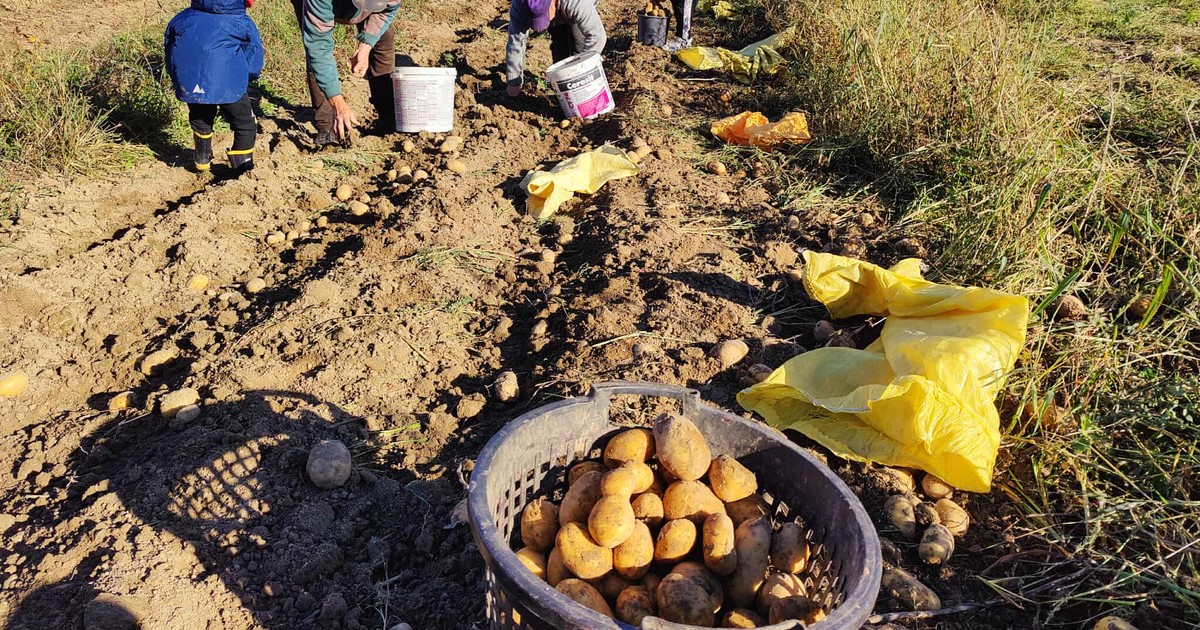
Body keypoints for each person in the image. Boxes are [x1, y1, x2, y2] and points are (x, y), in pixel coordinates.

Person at [165, 0, 264, 173]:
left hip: (191, 83)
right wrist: (248, 77)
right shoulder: (240, 21)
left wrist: (177, 77)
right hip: (230, 85)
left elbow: (170, 49)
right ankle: (242, 169)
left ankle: (202, 158)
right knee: (245, 124)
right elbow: (254, 54)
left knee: (200, 117)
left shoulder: (182, 18)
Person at [294, 0, 402, 146]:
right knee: (317, 56)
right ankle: (327, 128)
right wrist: (338, 103)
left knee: (384, 36)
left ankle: (388, 117)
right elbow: (319, 48)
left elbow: (386, 11)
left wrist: (366, 44)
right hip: (321, 5)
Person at [505, 0, 606, 97]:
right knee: (560, 47)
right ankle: (562, 92)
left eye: (544, 15)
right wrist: (514, 82)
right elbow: (515, 43)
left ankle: (590, 93)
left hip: (574, 8)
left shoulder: (577, 3)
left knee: (580, 44)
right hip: (558, 11)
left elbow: (597, 36)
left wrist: (581, 71)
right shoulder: (520, 6)